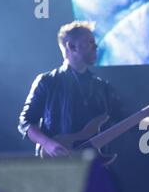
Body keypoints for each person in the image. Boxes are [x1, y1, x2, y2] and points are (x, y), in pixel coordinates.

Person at [18, 21, 123, 157]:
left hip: (92, 165)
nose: (95, 46)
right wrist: (48, 144)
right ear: (72, 47)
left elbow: (124, 119)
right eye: (90, 42)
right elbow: (25, 122)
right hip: (57, 166)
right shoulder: (47, 81)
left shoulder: (102, 87)